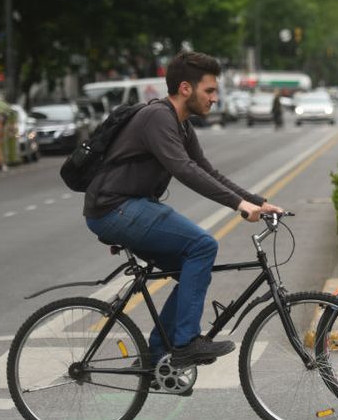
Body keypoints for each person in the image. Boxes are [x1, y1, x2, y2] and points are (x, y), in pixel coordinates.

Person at [84, 51, 285, 369]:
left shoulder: (181, 125)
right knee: (202, 245)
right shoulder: (158, 118)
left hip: (128, 208)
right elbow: (183, 169)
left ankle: (157, 355)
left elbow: (206, 170)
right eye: (210, 90)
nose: (215, 99)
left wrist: (257, 201)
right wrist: (237, 205)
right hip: (115, 208)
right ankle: (185, 343)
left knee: (192, 267)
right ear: (186, 89)